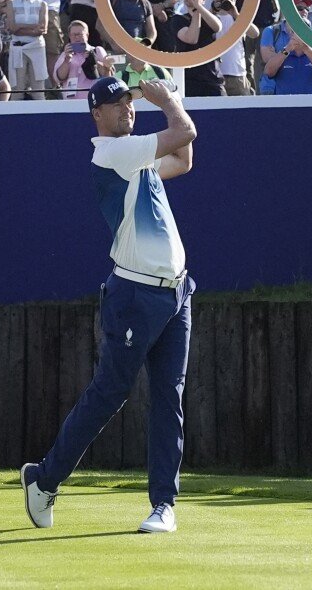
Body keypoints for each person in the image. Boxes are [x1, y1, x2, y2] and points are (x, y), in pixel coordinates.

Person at [21, 75, 197, 535]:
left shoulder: (139, 162)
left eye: (129, 102)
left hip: (177, 293)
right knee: (109, 394)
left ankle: (164, 504)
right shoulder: (113, 153)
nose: (127, 109)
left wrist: (167, 106)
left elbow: (183, 158)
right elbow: (184, 135)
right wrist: (167, 100)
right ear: (96, 114)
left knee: (168, 398)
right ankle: (44, 479)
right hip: (135, 295)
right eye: (116, 105)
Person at [259, 0, 312, 95]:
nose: (305, 11)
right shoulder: (273, 32)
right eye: (300, 8)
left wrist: (306, 49)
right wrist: (288, 48)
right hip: (277, 96)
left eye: (307, 9)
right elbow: (269, 67)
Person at [173, 0, 224, 96]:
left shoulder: (209, 18)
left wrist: (199, 6)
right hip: (191, 80)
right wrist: (196, 10)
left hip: (213, 78)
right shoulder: (178, 19)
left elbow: (218, 27)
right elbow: (191, 39)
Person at [210, 0, 258, 95]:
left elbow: (255, 33)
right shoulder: (210, 17)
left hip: (237, 74)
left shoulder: (238, 17)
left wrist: (235, 14)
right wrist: (214, 9)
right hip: (215, 75)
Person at [6, 0, 48, 99]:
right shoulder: (12, 4)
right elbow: (11, 28)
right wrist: (32, 28)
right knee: (17, 88)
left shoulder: (42, 4)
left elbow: (42, 29)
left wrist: (20, 27)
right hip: (18, 47)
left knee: (38, 88)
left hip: (37, 47)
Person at [54, 21, 111, 99]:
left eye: (80, 34)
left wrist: (93, 60)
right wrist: (67, 60)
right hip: (71, 102)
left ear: (87, 35)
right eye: (73, 35)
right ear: (70, 36)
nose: (76, 37)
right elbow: (59, 78)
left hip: (95, 100)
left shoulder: (97, 51)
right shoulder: (65, 54)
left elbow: (108, 75)